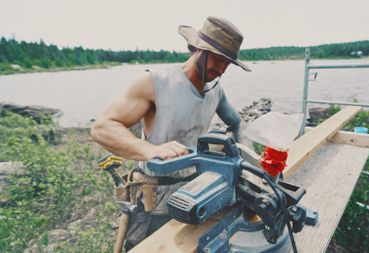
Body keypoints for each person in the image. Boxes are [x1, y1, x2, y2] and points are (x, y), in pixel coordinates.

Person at [91, 16, 250, 251]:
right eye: (218, 59)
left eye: (228, 63)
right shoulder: (156, 83)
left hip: (196, 192)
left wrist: (240, 163)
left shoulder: (215, 92)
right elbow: (102, 127)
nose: (222, 69)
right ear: (198, 49)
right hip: (155, 199)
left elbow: (236, 123)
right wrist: (150, 150)